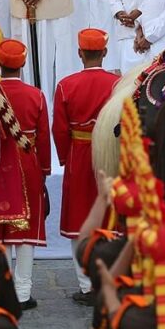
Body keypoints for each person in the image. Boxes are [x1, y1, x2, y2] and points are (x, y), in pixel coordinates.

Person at [52, 28, 120, 302]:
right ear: (104, 52)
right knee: (112, 217)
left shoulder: (66, 85)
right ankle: (109, 279)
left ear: (80, 53)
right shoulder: (118, 84)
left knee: (79, 218)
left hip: (79, 155)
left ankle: (85, 284)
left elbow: (59, 129)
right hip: (110, 156)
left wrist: (66, 159)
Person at [0, 39, 51, 310]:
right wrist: (45, 171)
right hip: (28, 161)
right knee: (25, 231)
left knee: (1, 229)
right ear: (24, 63)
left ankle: (4, 291)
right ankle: (23, 292)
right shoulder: (36, 95)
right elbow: (44, 137)